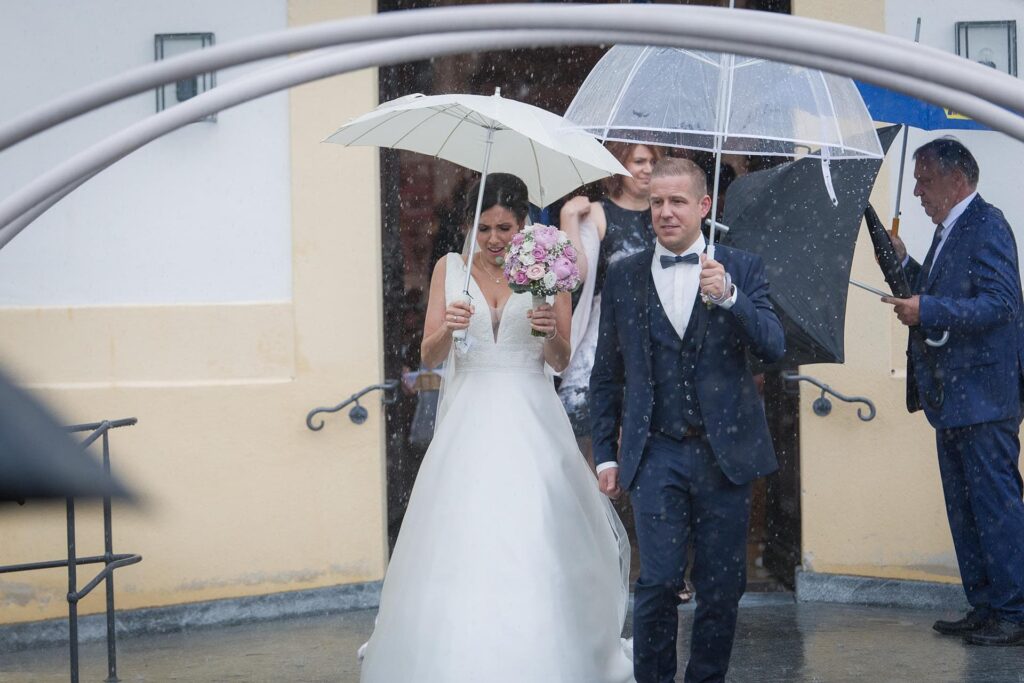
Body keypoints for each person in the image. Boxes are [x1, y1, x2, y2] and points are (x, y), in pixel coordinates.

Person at [359, 173, 635, 682]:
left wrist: (549, 329)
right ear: (469, 225)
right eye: (483, 227)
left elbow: (560, 358)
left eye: (505, 228)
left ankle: (542, 648)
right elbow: (428, 354)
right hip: (470, 418)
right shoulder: (450, 268)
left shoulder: (549, 267)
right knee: (464, 530)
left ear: (525, 225)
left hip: (530, 415)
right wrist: (450, 327)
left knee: (532, 530)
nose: (493, 240)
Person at [590, 157, 785, 683]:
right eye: (657, 201)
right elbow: (607, 374)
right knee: (656, 582)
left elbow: (772, 347)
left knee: (721, 588)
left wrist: (731, 299)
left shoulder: (741, 268)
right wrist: (605, 451)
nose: (665, 212)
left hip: (726, 453)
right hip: (657, 451)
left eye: (678, 202)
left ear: (704, 206)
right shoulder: (625, 274)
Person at [884, 137, 1024, 646]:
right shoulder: (951, 229)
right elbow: (949, 292)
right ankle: (985, 605)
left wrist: (930, 311)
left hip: (985, 397)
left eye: (925, 179)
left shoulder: (987, 224)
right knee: (965, 509)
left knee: (996, 507)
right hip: (955, 398)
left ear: (956, 178)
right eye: (917, 180)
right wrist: (910, 265)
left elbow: (1002, 304)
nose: (918, 190)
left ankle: (1014, 612)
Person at [557, 142, 662, 450]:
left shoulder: (666, 212)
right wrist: (568, 219)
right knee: (593, 446)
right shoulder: (600, 214)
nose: (647, 169)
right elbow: (575, 274)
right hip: (607, 338)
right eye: (639, 161)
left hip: (657, 339)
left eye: (653, 162)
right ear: (617, 166)